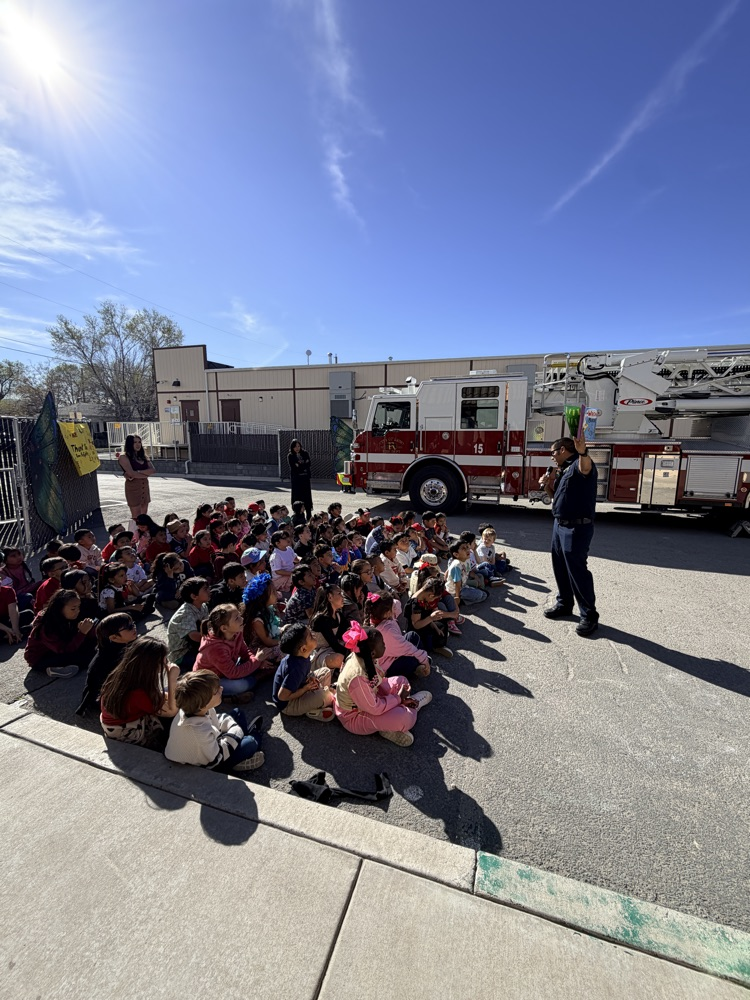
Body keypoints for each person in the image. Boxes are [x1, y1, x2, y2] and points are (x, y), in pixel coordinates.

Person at [333, 622, 431, 747]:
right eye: (383, 644)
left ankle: (389, 723)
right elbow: (374, 708)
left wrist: (396, 698)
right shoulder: (357, 678)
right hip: (355, 716)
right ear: (373, 652)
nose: (385, 646)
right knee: (406, 719)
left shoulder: (363, 655)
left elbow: (376, 681)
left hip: (369, 698)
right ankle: (410, 707)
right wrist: (398, 698)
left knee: (402, 682)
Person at [541, 434, 599, 636]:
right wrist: (549, 484)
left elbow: (586, 467)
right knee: (560, 567)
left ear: (563, 450)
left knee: (577, 571)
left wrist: (583, 451)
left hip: (576, 528)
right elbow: (554, 498)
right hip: (559, 525)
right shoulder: (564, 469)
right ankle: (565, 603)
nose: (551, 457)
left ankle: (589, 615)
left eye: (553, 452)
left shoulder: (579, 465)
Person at [165, 670, 265, 772]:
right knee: (251, 742)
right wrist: (236, 731)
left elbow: (214, 719)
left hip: (208, 747)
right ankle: (252, 736)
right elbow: (219, 756)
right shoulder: (199, 733)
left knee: (238, 713)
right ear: (203, 703)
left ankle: (241, 750)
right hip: (212, 762)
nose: (221, 688)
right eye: (216, 691)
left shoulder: (191, 709)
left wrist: (233, 729)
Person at [99, 636, 179, 748]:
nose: (167, 663)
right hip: (127, 732)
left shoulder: (125, 675)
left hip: (115, 724)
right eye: (165, 660)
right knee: (178, 715)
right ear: (152, 666)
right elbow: (171, 711)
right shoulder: (138, 693)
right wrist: (172, 680)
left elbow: (159, 696)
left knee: (172, 696)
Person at [193, 604, 272, 705]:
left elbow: (244, 651)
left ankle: (235, 694)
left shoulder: (235, 631)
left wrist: (256, 661)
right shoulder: (215, 648)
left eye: (239, 616)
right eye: (237, 618)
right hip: (210, 681)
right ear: (224, 628)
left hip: (226, 670)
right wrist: (256, 661)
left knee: (249, 665)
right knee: (241, 685)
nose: (242, 619)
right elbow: (233, 673)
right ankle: (231, 696)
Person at [24, 589, 97, 679]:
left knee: (94, 646)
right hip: (42, 658)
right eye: (73, 608)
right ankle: (51, 669)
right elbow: (64, 650)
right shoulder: (47, 626)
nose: (77, 611)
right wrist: (82, 633)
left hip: (62, 647)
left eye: (79, 607)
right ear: (60, 608)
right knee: (83, 658)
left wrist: (89, 629)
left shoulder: (69, 616)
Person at [75, 614, 137, 717]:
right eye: (129, 627)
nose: (134, 627)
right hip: (104, 697)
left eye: (133, 624)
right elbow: (94, 688)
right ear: (114, 637)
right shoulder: (107, 658)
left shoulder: (123, 644)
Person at [271, 622, 335, 721]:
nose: (313, 635)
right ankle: (313, 711)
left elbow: (305, 672)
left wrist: (310, 677)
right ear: (303, 648)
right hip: (288, 704)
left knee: (325, 672)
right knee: (326, 696)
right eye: (310, 636)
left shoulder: (302, 655)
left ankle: (317, 699)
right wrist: (305, 689)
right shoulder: (296, 668)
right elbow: (282, 696)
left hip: (298, 689)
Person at [364, 592, 431, 679]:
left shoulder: (374, 617)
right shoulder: (386, 632)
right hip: (385, 667)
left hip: (391, 653)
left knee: (412, 635)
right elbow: (408, 648)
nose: (394, 607)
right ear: (387, 613)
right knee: (413, 660)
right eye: (392, 607)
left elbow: (397, 604)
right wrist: (425, 660)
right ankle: (419, 667)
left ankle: (419, 664)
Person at [166, 578, 210, 669]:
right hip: (182, 653)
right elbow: (194, 636)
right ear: (194, 596)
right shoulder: (185, 613)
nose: (209, 591)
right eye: (205, 589)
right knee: (210, 659)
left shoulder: (203, 606)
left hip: (194, 645)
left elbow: (207, 626)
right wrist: (213, 639)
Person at [118, 434, 155, 520]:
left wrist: (138, 472)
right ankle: (135, 533)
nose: (138, 444)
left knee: (144, 515)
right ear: (129, 443)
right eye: (135, 442)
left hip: (144, 486)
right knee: (136, 517)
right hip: (133, 487)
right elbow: (131, 474)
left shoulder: (143, 456)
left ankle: (143, 532)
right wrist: (145, 473)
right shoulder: (124, 457)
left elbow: (153, 470)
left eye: (139, 442)